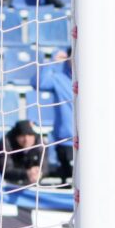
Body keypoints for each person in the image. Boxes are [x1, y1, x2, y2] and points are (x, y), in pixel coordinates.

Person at [33, 49, 74, 180]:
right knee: (69, 182)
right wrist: (51, 62)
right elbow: (38, 83)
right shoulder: (59, 79)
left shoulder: (95, 80)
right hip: (66, 142)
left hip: (91, 141)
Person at [0, 119, 45, 185]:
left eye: (30, 135)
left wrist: (38, 173)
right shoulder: (5, 144)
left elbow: (44, 167)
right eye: (22, 135)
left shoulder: (41, 144)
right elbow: (6, 171)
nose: (26, 139)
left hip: (29, 181)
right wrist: (27, 173)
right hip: (1, 181)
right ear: (16, 137)